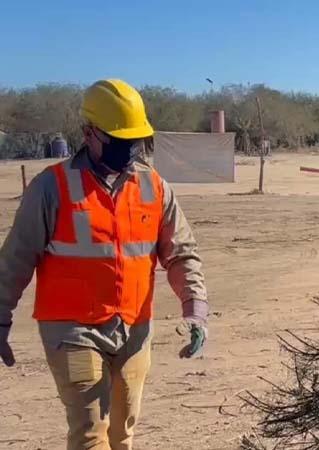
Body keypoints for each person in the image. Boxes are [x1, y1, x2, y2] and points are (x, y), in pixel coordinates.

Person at [0, 79, 209, 449]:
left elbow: (180, 252)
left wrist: (195, 308)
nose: (129, 149)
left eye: (136, 140)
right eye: (119, 139)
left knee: (122, 433)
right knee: (90, 434)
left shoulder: (154, 186)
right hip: (73, 332)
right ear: (89, 134)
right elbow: (15, 258)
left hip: (134, 329)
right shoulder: (51, 187)